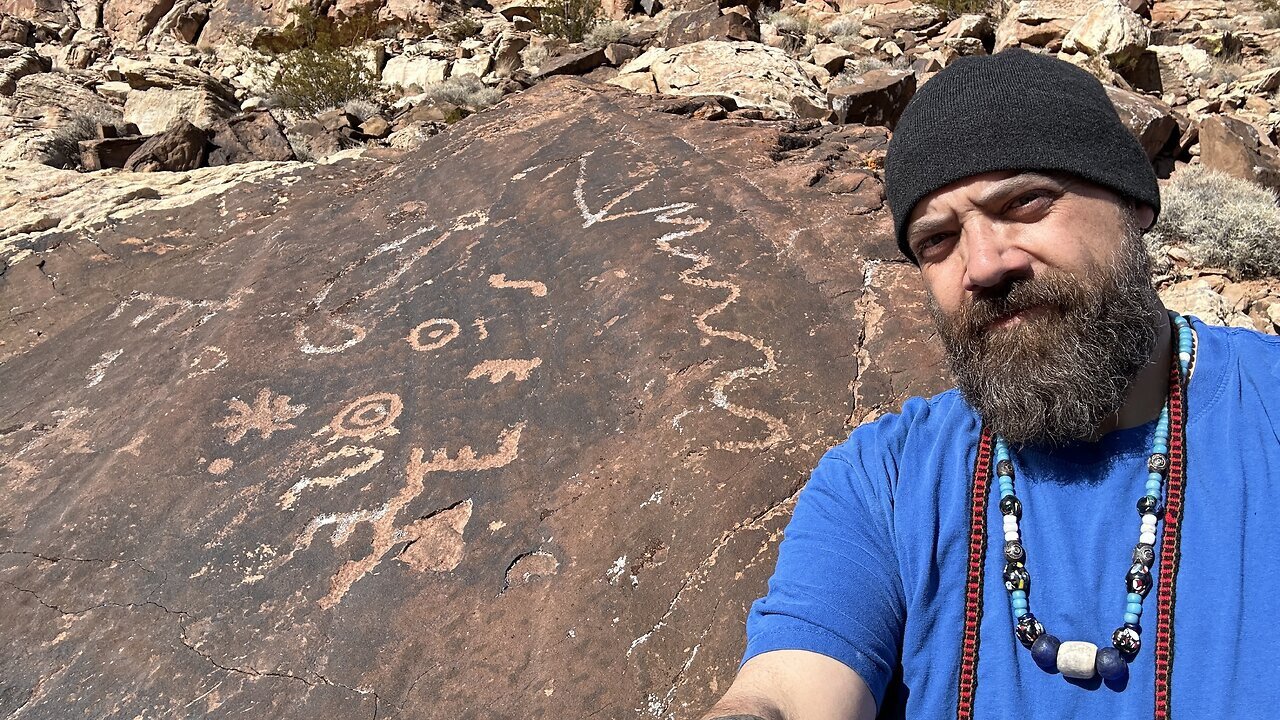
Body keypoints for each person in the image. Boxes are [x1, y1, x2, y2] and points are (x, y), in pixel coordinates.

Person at [697, 48, 1280, 719]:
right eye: (938, 241)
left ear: (1132, 200)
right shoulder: (884, 481)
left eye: (1026, 201)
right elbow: (786, 689)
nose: (984, 265)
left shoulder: (1265, 413)